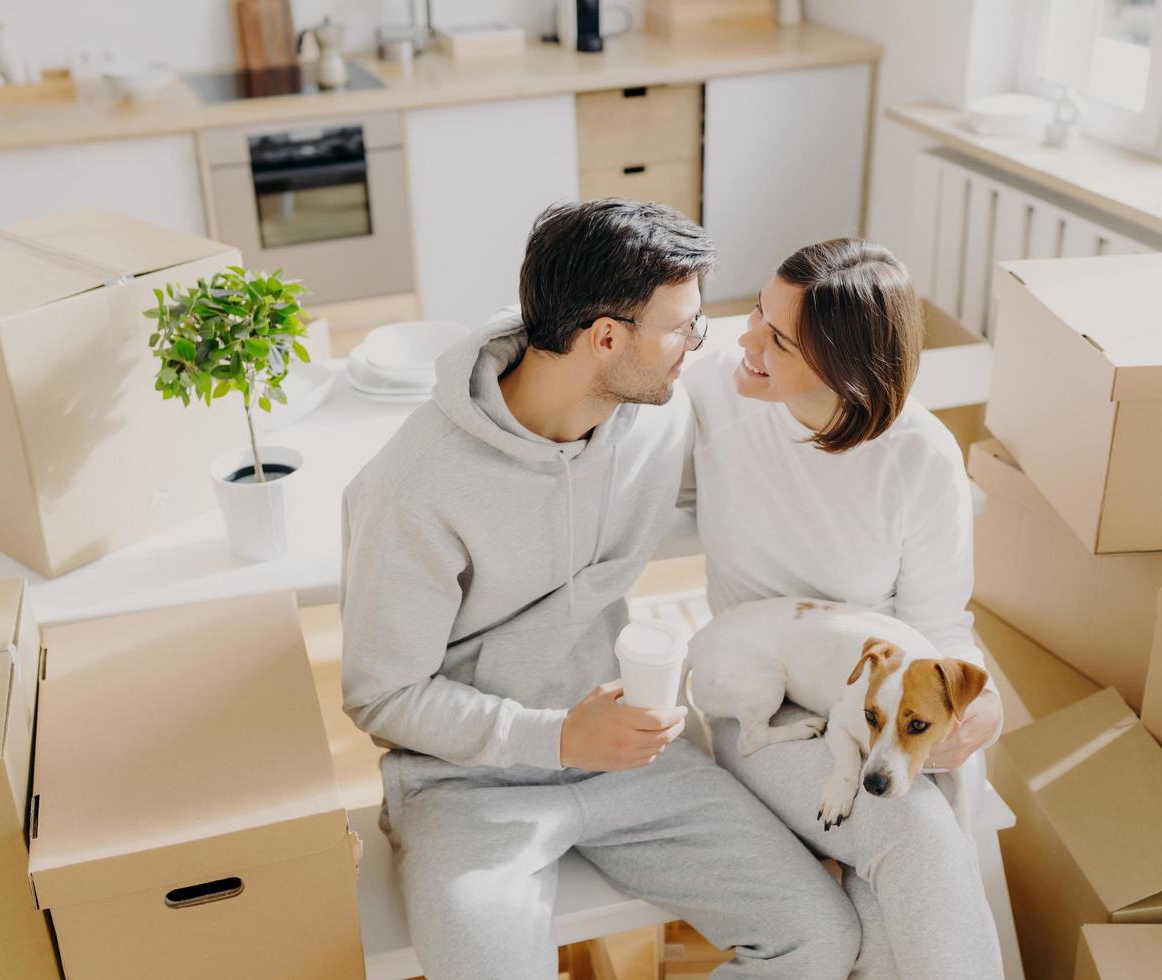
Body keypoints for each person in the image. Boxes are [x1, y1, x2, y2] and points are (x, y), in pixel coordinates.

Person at [340, 200, 861, 980]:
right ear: (607, 338)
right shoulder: (412, 488)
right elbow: (381, 697)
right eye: (684, 327)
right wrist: (554, 737)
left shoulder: (656, 414)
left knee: (819, 939)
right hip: (466, 787)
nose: (699, 343)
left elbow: (786, 456)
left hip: (635, 756)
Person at [681, 238, 1006, 978]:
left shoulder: (919, 454)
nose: (746, 339)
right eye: (758, 312)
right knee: (917, 843)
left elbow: (942, 626)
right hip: (767, 702)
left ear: (845, 370)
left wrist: (983, 710)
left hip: (887, 708)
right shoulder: (712, 392)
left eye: (777, 338)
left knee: (889, 943)